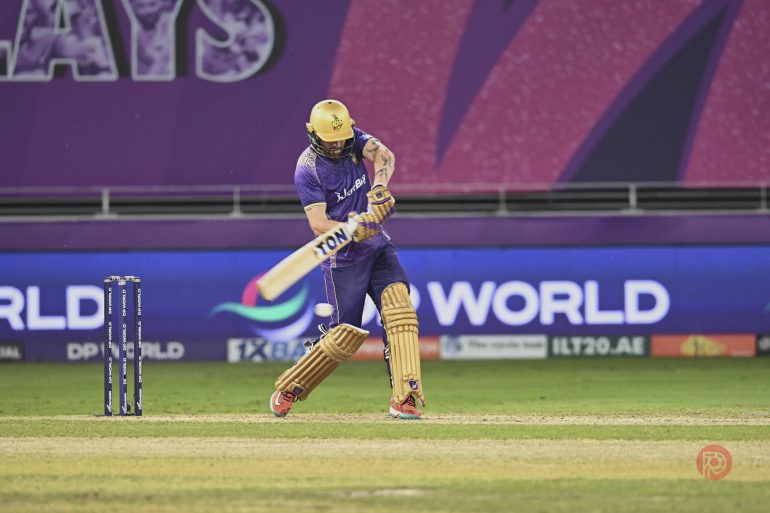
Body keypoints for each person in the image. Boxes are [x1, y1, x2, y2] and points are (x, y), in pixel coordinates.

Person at [269, 99, 426, 420]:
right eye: (331, 140)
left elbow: (384, 154)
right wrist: (356, 228)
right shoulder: (307, 169)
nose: (339, 145)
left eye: (343, 137)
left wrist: (380, 187)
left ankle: (404, 396)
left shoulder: (352, 138)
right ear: (313, 134)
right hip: (343, 259)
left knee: (401, 314)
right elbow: (318, 224)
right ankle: (290, 386)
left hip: (378, 248)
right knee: (344, 336)